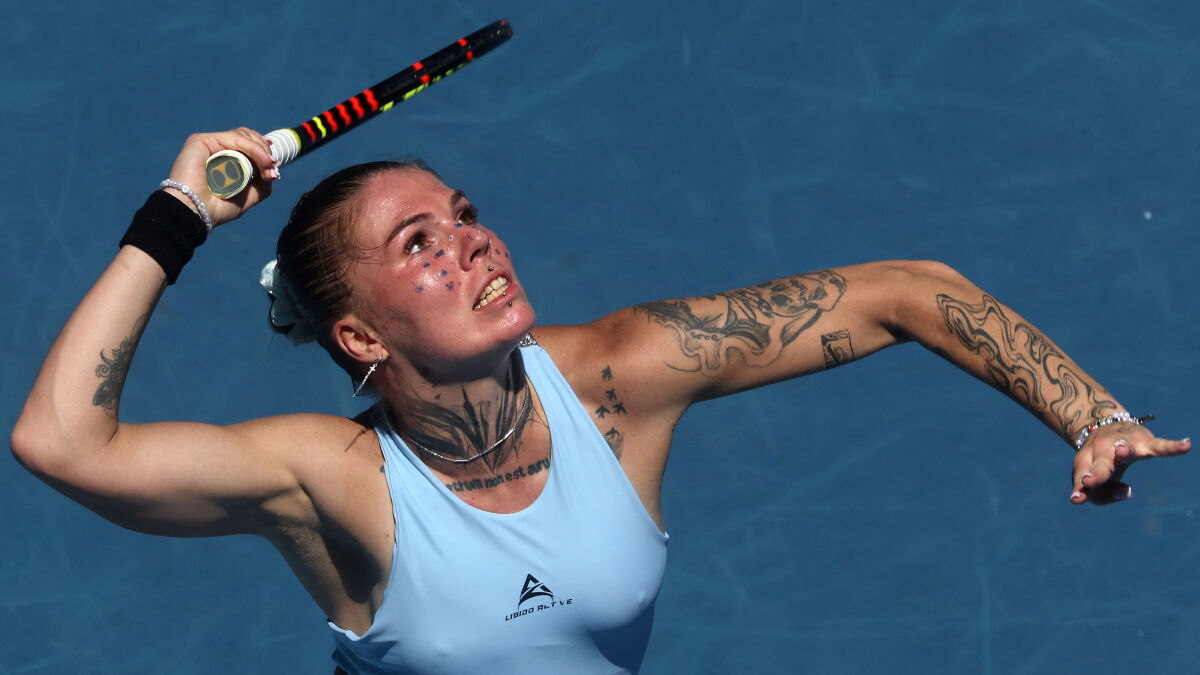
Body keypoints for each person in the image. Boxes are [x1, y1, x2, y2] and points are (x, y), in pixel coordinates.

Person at [11, 129, 1191, 674]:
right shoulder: (330, 480)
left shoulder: (618, 378)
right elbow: (60, 441)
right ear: (359, 336)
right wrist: (178, 216)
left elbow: (907, 292)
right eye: (421, 244)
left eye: (466, 215)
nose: (474, 243)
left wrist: (1093, 418)